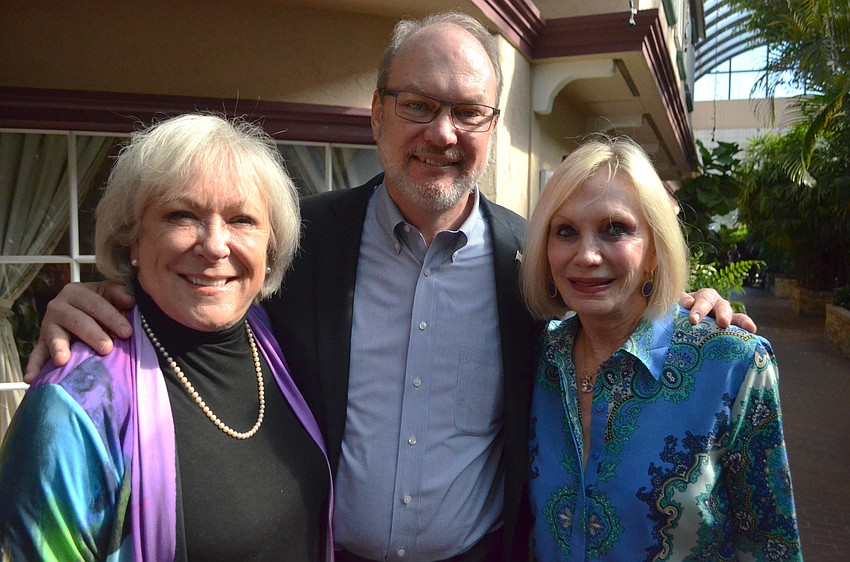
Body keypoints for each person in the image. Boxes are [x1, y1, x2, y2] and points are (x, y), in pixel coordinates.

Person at [23, 13, 754, 562]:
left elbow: (611, 310)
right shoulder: (300, 243)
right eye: (418, 105)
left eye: (468, 112)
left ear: (491, 126)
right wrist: (99, 297)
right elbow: (202, 292)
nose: (443, 133)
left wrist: (683, 309)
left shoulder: (533, 264)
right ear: (377, 114)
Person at [0, 114, 333, 561]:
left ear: (270, 248)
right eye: (182, 215)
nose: (215, 246)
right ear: (133, 239)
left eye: (242, 220)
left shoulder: (280, 336)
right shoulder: (74, 407)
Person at [520, 137, 801, 560]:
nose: (587, 255)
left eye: (615, 229)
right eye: (566, 232)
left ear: (655, 246)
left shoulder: (733, 363)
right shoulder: (541, 354)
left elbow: (770, 544)